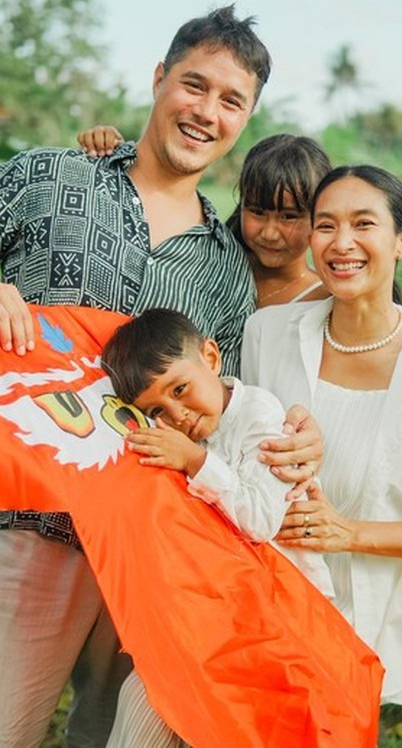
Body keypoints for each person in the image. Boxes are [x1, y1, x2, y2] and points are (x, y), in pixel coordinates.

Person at [0, 6, 321, 747]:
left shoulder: (226, 263)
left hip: (151, 553)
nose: (207, 111)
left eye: (231, 101)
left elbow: (229, 408)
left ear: (245, 119)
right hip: (20, 524)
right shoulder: (49, 176)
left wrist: (298, 435)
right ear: (159, 79)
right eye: (195, 85)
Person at [242, 164, 402, 705]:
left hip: (358, 635)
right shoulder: (267, 334)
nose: (342, 243)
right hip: (253, 611)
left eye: (363, 224)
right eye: (326, 225)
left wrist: (347, 532)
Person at [100, 306, 335, 747]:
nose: (177, 415)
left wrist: (194, 462)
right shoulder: (186, 435)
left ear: (211, 357)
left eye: (180, 389)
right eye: (156, 410)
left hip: (283, 620)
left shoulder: (260, 416)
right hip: (221, 613)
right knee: (148, 704)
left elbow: (261, 519)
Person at [78, 127, 402, 383]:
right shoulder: (210, 261)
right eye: (257, 211)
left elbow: (388, 326)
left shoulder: (331, 295)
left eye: (290, 216)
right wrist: (115, 149)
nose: (270, 232)